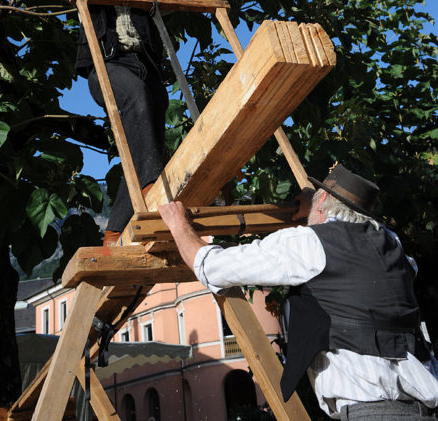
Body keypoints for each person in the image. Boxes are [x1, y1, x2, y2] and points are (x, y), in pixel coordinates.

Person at [158, 164, 438, 420]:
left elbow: (212, 266)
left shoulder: (308, 244)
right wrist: (316, 208)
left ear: (324, 201)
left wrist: (179, 225)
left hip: (371, 413)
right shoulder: (393, 246)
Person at [44, 0, 199, 245]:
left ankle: (114, 231)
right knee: (140, 109)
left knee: (145, 148)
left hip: (146, 72)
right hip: (110, 69)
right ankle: (152, 183)